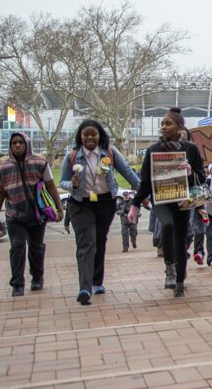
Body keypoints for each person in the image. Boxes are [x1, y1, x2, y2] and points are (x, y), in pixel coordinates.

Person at [60, 119, 140, 305]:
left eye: (93, 134)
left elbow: (128, 172)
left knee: (99, 241)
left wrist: (143, 191)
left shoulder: (110, 153)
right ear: (80, 136)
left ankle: (97, 281)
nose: (89, 137)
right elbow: (61, 182)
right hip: (80, 204)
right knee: (86, 243)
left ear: (99, 136)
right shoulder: (72, 156)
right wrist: (71, 185)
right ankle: (84, 288)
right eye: (86, 134)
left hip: (105, 202)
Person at [128, 107, 205, 298]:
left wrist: (191, 172)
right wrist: (135, 204)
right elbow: (145, 181)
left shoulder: (191, 149)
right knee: (167, 226)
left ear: (180, 127)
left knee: (181, 238)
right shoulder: (153, 150)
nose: (163, 127)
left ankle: (179, 281)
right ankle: (169, 267)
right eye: (162, 123)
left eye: (168, 123)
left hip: (182, 200)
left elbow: (201, 177)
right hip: (161, 199)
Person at [0, 133, 63, 297]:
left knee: (36, 247)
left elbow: (51, 186)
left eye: (20, 142)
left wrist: (59, 208)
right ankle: (17, 283)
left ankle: (37, 277)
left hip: (37, 214)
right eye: (13, 143)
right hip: (14, 214)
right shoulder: (3, 168)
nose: (17, 146)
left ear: (27, 144)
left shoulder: (40, 163)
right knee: (17, 246)